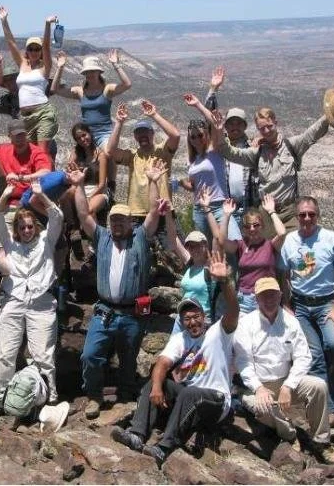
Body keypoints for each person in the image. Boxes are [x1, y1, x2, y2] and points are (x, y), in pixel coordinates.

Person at [110, 251, 238, 467]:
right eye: (186, 319)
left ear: (204, 316)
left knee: (189, 392)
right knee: (155, 381)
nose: (192, 322)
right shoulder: (181, 338)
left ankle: (163, 448)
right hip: (190, 399)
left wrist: (225, 281)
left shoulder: (218, 332)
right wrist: (157, 388)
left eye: (196, 316)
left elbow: (233, 310)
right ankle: (137, 434)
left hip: (217, 400)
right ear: (181, 321)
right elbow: (163, 363)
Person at [69, 158, 167, 419]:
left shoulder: (140, 238)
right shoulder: (102, 237)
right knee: (91, 355)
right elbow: (82, 215)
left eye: (122, 220)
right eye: (114, 220)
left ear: (129, 223)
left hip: (131, 313)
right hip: (104, 311)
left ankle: (125, 397)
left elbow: (154, 213)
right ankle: (93, 396)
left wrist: (155, 182)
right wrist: (79, 185)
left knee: (128, 359)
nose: (117, 224)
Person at [234, 277, 334, 463]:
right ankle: (290, 434)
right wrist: (259, 388)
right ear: (256, 299)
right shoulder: (246, 324)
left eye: (272, 295)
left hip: (285, 380)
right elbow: (244, 362)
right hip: (258, 385)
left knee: (318, 386)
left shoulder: (291, 322)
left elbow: (303, 356)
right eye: (264, 296)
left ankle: (321, 441)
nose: (269, 300)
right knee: (259, 405)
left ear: (280, 296)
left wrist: (288, 386)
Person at [0, 178, 64, 416]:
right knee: (6, 352)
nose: (27, 230)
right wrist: (6, 194)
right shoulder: (10, 244)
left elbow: (57, 217)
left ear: (35, 227)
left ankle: (50, 398)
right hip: (13, 300)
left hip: (41, 302)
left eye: (30, 226)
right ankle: (1, 398)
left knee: (43, 353)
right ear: (17, 229)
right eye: (22, 227)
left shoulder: (45, 242)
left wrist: (40, 195)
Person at [280, 196, 334, 427]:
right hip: (300, 306)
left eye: (311, 214)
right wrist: (286, 303)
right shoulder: (290, 240)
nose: (307, 218)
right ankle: (332, 410)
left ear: (317, 215)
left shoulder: (331, 238)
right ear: (297, 217)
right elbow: (283, 274)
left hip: (326, 304)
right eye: (302, 214)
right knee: (313, 356)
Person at [217, 101, 334, 237]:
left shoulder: (291, 146)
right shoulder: (256, 153)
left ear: (276, 122)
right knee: (268, 253)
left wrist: (328, 116)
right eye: (262, 128)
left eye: (269, 126)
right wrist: (219, 131)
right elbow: (231, 153)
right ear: (258, 129)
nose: (266, 131)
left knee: (294, 249)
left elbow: (311, 134)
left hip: (290, 212)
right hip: (265, 214)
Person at [104, 100, 180, 228]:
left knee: (171, 247)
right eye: (139, 132)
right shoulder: (131, 156)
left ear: (152, 134)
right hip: (136, 214)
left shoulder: (163, 151)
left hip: (163, 210)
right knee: (138, 248)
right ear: (135, 136)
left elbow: (175, 135)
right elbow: (110, 151)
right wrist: (119, 123)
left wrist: (154, 115)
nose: (142, 135)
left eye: (145, 132)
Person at [180, 91, 243, 245]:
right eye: (192, 137)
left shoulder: (214, 151)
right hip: (199, 208)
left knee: (232, 244)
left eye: (200, 135)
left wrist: (197, 105)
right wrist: (180, 183)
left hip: (220, 206)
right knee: (205, 249)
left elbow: (215, 125)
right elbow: (195, 187)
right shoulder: (192, 161)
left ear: (206, 135)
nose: (196, 140)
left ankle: (233, 269)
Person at [0, 5, 58, 153]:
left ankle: (47, 176)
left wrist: (47, 24)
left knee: (41, 153)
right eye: (31, 48)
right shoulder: (22, 64)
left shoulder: (45, 67)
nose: (34, 52)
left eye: (37, 49)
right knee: (29, 153)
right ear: (27, 51)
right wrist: (4, 21)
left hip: (43, 112)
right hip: (25, 117)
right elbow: (11, 43)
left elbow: (47, 46)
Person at [216, 194, 286, 316]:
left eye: (256, 225)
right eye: (248, 226)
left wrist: (271, 211)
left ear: (262, 226)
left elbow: (282, 233)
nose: (252, 229)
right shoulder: (240, 245)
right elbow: (221, 241)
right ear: (243, 229)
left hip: (267, 297)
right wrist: (226, 215)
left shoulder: (270, 245)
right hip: (245, 299)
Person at [50, 49, 132, 150]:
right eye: (87, 72)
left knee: (107, 153)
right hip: (86, 135)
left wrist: (116, 65)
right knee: (74, 161)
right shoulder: (80, 92)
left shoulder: (107, 90)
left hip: (104, 134)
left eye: (92, 71)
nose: (89, 74)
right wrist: (60, 67)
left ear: (99, 72)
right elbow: (55, 89)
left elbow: (127, 84)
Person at [164, 187, 216, 328]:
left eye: (198, 245)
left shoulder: (212, 267)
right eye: (191, 246)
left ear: (205, 245)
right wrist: (168, 213)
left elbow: (218, 238)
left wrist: (207, 209)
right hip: (183, 319)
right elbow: (173, 240)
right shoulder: (190, 263)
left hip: (203, 322)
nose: (194, 249)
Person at [0, 120, 53, 209]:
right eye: (16, 135)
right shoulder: (3, 149)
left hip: (29, 199)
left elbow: (46, 172)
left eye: (22, 135)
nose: (20, 138)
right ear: (10, 136)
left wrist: (21, 178)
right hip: (5, 197)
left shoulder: (36, 152)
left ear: (26, 135)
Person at [61, 123, 110, 223]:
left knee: (89, 209)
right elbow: (69, 169)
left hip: (98, 191)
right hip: (81, 188)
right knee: (64, 198)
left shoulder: (101, 155)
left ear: (90, 133)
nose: (83, 139)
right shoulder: (76, 152)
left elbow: (102, 185)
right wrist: (71, 169)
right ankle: (73, 226)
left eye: (84, 135)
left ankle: (95, 236)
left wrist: (89, 197)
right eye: (79, 138)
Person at [223, 106, 259, 227]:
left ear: (245, 126)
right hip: (227, 208)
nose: (235, 127)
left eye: (239, 123)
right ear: (225, 126)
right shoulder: (220, 148)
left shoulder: (252, 147)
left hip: (248, 207)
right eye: (231, 124)